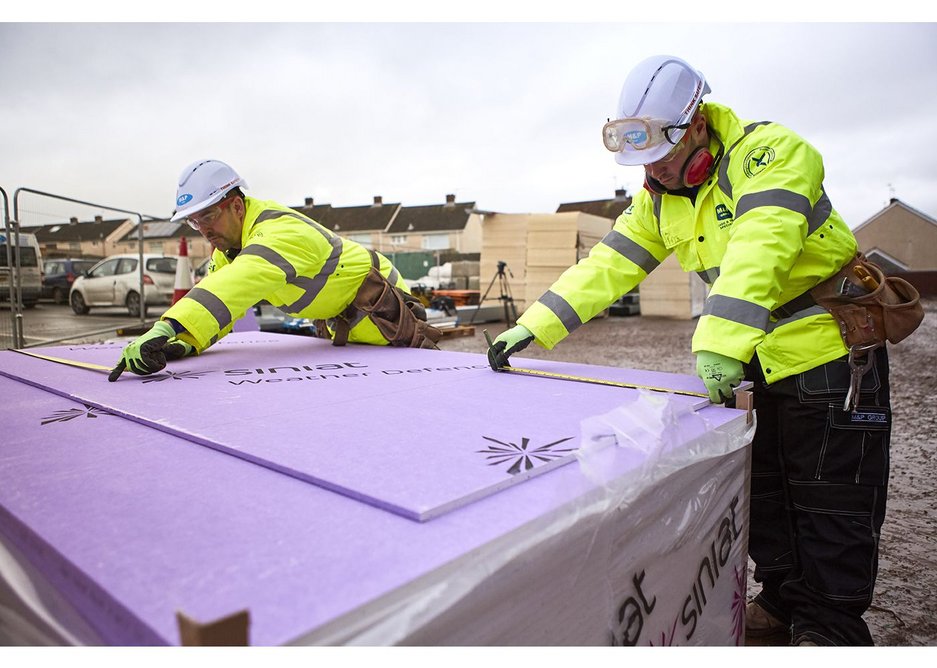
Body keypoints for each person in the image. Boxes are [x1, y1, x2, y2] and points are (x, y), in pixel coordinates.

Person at [488, 55, 892, 646]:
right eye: (642, 162)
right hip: (755, 357)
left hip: (828, 355)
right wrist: (534, 327)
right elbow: (610, 265)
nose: (654, 173)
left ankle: (831, 631)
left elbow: (763, 244)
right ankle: (781, 603)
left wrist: (721, 340)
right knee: (769, 492)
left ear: (697, 124)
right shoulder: (659, 198)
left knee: (831, 501)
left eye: (662, 157)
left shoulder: (773, 153)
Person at [110, 159, 439, 380]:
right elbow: (221, 300)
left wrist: (167, 328)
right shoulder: (229, 250)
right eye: (194, 222)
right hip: (344, 319)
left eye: (207, 216)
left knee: (419, 382)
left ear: (236, 206)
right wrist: (186, 340)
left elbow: (237, 283)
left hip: (381, 305)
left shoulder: (279, 232)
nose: (203, 229)